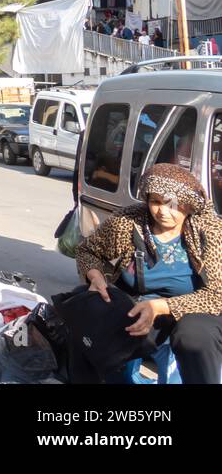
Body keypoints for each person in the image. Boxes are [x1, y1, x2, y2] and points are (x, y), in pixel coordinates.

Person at [64, 163, 222, 384]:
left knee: (193, 336)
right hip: (139, 305)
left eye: (171, 204)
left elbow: (216, 296)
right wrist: (95, 275)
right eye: (155, 202)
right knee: (86, 308)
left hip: (194, 311)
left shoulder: (210, 231)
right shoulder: (129, 221)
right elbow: (88, 250)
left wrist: (159, 307)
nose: (162, 211)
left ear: (187, 205)